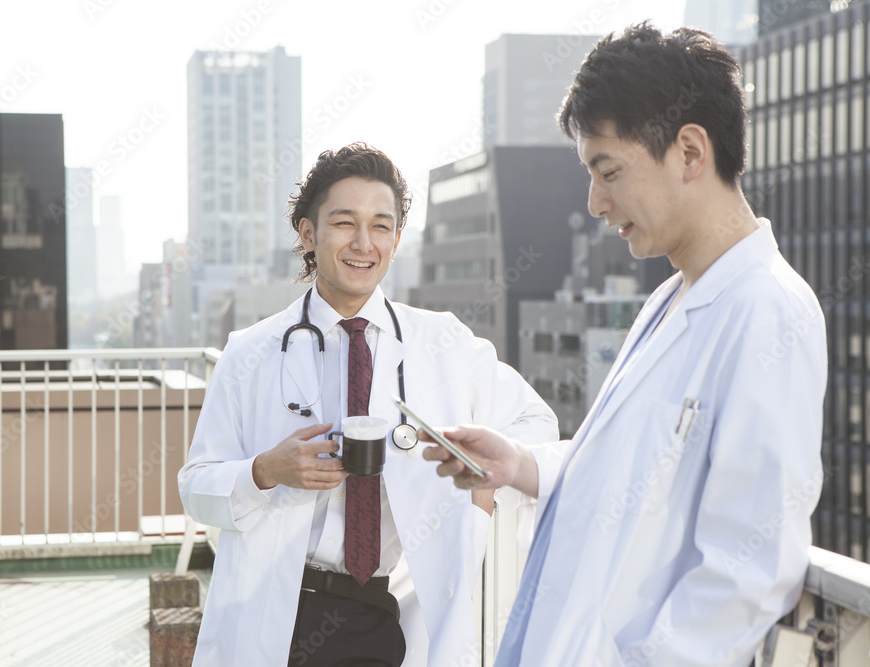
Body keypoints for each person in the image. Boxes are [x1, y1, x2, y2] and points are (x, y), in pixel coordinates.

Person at [423, 23, 828, 666]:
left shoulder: (767, 312)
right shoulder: (669, 300)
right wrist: (522, 466)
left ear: (690, 152)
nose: (596, 202)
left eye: (608, 171)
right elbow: (636, 472)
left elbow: (750, 567)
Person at [178, 142, 558, 666]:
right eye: (344, 223)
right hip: (279, 612)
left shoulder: (442, 342)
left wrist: (482, 490)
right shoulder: (251, 351)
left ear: (398, 240)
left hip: (388, 613)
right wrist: (265, 471)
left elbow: (535, 423)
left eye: (381, 225)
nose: (363, 243)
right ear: (308, 234)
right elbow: (196, 487)